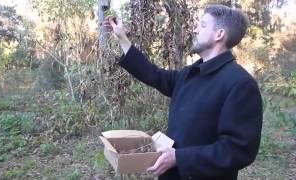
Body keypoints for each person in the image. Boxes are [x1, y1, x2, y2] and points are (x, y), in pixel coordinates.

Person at [104, 4, 263, 180]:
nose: (195, 29)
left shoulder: (240, 84)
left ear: (219, 34)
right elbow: (154, 75)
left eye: (202, 25)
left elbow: (238, 149)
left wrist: (180, 158)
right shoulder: (191, 73)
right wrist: (122, 38)